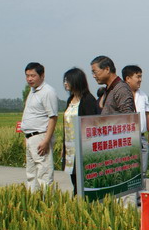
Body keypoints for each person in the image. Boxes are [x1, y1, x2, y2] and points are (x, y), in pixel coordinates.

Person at [20, 62, 59, 191]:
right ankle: (33, 199)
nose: (29, 79)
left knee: (44, 173)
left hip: (41, 136)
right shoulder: (32, 91)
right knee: (31, 173)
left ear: (42, 75)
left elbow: (53, 117)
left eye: (33, 75)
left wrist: (46, 141)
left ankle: (47, 201)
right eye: (27, 76)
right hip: (30, 137)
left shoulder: (47, 92)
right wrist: (27, 137)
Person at [62, 67, 99, 194]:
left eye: (68, 80)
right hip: (70, 147)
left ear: (76, 81)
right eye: (64, 80)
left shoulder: (88, 100)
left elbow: (92, 126)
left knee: (82, 182)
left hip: (82, 148)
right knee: (74, 178)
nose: (65, 83)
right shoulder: (70, 100)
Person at [122, 65, 149, 175]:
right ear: (128, 78)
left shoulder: (143, 95)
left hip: (141, 137)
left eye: (141, 77)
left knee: (142, 172)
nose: (140, 80)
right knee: (128, 171)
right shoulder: (121, 95)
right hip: (126, 138)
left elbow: (147, 114)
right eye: (138, 77)